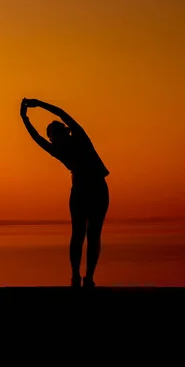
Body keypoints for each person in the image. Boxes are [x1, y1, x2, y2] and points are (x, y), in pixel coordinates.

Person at [20, 98, 110, 288]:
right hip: (80, 190)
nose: (53, 138)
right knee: (78, 234)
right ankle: (76, 277)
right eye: (52, 136)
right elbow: (37, 139)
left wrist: (39, 104)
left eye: (55, 133)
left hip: (97, 188)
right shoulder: (58, 150)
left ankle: (89, 278)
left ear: (64, 131)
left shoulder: (79, 136)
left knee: (93, 235)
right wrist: (24, 119)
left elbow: (61, 113)